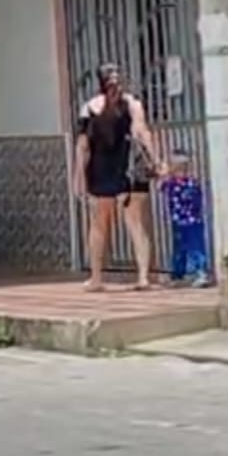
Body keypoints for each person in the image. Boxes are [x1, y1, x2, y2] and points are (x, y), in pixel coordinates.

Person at [72, 63, 162, 292]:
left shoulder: (90, 107)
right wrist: (155, 161)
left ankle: (96, 279)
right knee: (136, 223)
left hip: (102, 169)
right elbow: (142, 133)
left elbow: (83, 145)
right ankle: (142, 278)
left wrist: (78, 175)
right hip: (130, 168)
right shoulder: (133, 104)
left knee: (100, 223)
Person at [162, 152, 211, 287]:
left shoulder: (191, 183)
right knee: (180, 249)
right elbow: (161, 183)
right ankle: (178, 274)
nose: (181, 170)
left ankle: (200, 273)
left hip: (193, 221)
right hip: (179, 222)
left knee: (195, 247)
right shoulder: (171, 183)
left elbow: (196, 200)